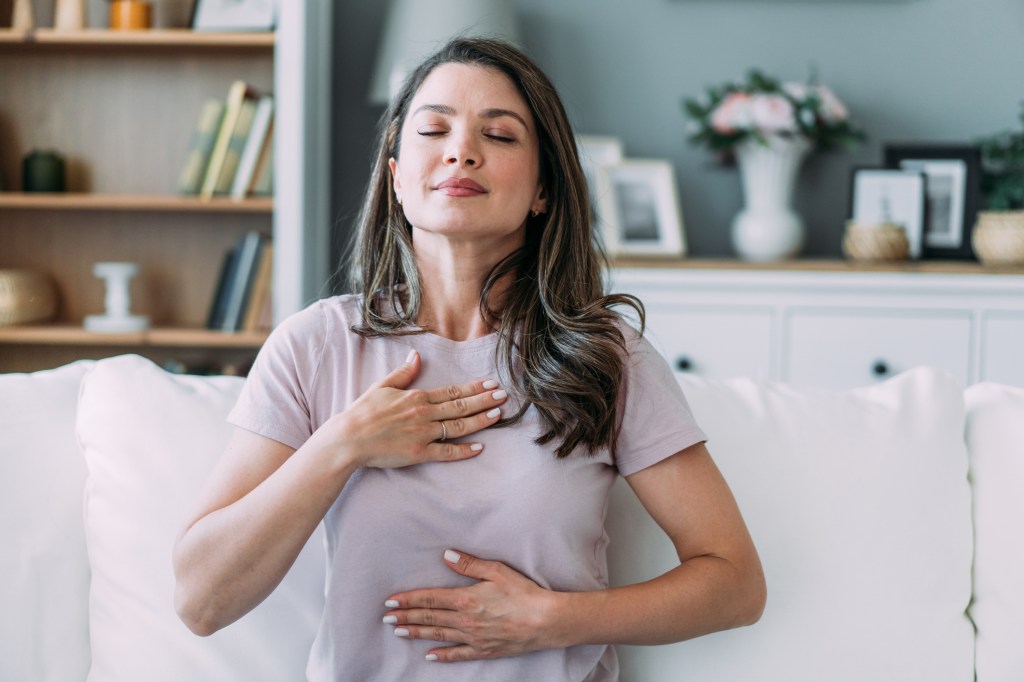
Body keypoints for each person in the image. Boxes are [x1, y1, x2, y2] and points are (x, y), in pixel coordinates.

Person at [172, 37, 765, 681]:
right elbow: (201, 601)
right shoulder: (315, 346)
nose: (461, 150)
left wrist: (553, 619)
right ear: (396, 177)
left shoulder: (608, 356)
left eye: (501, 136)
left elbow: (734, 583)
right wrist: (344, 444)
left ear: (543, 189)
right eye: (434, 129)